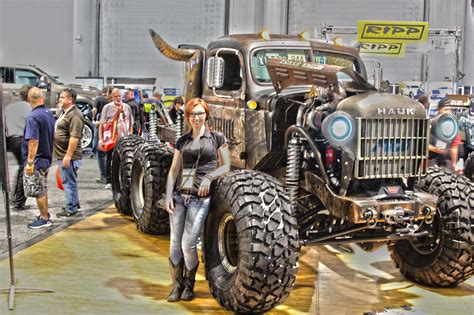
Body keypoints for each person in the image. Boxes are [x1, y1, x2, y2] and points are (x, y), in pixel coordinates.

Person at [164, 98, 231, 302]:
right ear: (187, 117)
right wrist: (167, 194)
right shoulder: (182, 141)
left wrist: (209, 178)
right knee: (175, 243)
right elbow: (174, 170)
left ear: (206, 115)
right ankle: (177, 285)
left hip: (199, 198)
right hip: (179, 195)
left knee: (188, 244)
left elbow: (225, 165)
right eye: (193, 114)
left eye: (200, 113)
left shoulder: (217, 138)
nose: (197, 117)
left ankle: (190, 284)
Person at [23, 88, 56, 229]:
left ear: (29, 99)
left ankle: (44, 218)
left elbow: (33, 141)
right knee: (42, 187)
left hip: (37, 160)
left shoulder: (33, 117)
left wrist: (30, 162)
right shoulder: (48, 114)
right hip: (47, 156)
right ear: (42, 97)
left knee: (39, 191)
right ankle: (45, 215)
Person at [54, 88, 85, 217]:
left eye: (62, 97)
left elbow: (74, 137)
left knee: (68, 182)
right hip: (63, 154)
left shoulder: (75, 115)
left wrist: (68, 156)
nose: (59, 100)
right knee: (69, 180)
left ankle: (71, 208)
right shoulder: (64, 112)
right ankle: (74, 203)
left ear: (70, 99)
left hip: (69, 156)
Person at [99, 88, 134, 189]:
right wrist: (101, 139)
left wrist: (130, 136)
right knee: (109, 159)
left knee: (124, 160)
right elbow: (102, 124)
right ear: (111, 97)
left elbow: (131, 123)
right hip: (111, 138)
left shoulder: (127, 107)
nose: (118, 98)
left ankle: (122, 181)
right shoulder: (107, 107)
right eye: (115, 96)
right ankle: (108, 181)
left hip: (124, 139)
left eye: (119, 96)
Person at [5, 84, 32, 210]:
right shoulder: (29, 108)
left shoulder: (10, 107)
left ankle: (15, 197)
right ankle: (19, 201)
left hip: (10, 140)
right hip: (22, 140)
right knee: (24, 169)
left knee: (21, 168)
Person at [429, 97, 462, 172]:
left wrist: (454, 164)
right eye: (446, 109)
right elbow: (421, 145)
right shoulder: (430, 124)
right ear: (439, 109)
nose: (448, 112)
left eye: (450, 110)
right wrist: (435, 149)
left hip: (446, 162)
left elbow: (454, 147)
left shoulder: (453, 127)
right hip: (430, 161)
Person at [93, 86, 112, 184]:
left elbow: (94, 111)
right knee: (110, 154)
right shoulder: (120, 105)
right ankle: (110, 177)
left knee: (100, 152)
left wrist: (93, 119)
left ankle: (104, 176)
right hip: (112, 132)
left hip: (103, 128)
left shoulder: (99, 100)